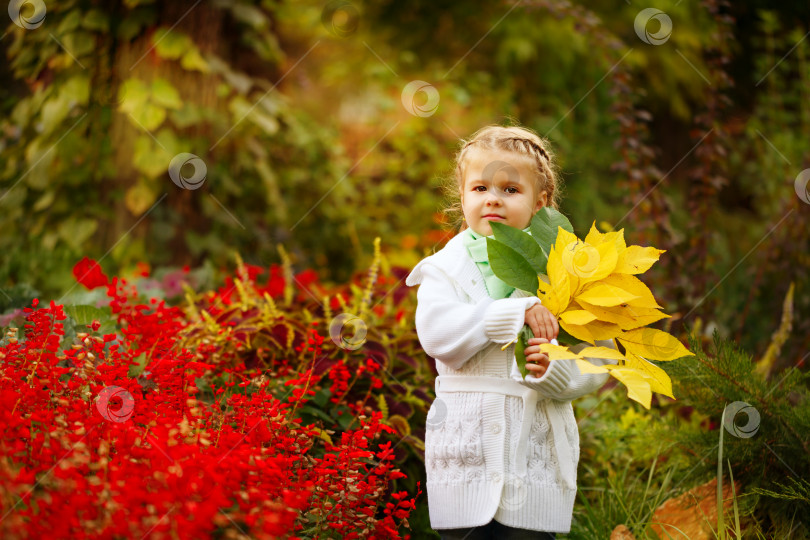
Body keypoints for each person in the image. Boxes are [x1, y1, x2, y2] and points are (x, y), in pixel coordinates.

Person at [405, 124, 618, 539]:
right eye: (480, 188)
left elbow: (601, 354)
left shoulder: (565, 271)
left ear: (540, 203)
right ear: (462, 195)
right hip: (465, 455)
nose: (492, 200)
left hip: (534, 458)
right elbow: (438, 336)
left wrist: (555, 370)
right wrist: (514, 311)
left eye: (510, 190)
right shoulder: (444, 270)